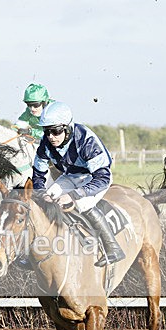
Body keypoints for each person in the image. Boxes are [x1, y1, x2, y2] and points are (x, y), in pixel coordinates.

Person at [31, 101, 125, 267]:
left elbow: (102, 178)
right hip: (70, 176)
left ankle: (113, 247)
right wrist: (40, 191)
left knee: (83, 204)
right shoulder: (46, 143)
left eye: (56, 131)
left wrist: (74, 195)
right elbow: (38, 172)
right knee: (43, 202)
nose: (51, 136)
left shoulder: (86, 141)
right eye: (47, 131)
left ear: (67, 128)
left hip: (94, 178)